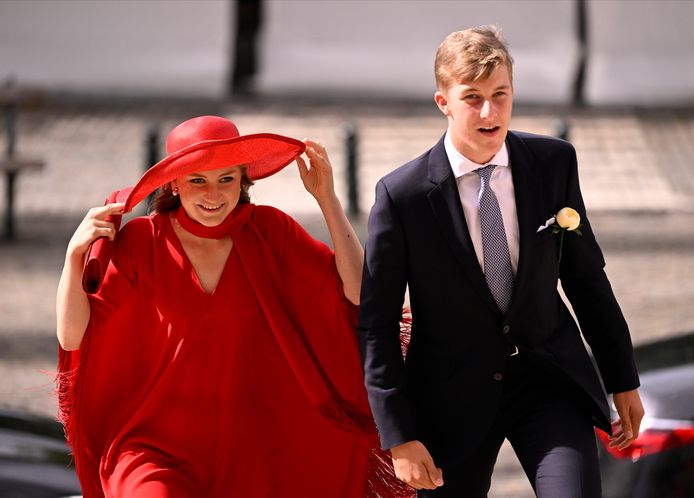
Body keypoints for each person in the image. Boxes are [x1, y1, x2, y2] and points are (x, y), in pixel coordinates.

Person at [358, 26, 644, 497]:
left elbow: (586, 277)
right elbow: (378, 324)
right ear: (443, 102)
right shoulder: (402, 196)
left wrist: (623, 378)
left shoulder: (553, 163)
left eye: (500, 94)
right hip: (450, 398)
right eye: (472, 97)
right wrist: (399, 436)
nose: (489, 112)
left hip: (548, 381)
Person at [56, 116, 406, 498]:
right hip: (151, 445)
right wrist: (75, 254)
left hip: (249, 445)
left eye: (227, 179)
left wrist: (327, 200)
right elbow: (72, 335)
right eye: (197, 180)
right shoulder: (140, 242)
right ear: (174, 182)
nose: (213, 194)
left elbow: (358, 294)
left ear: (243, 181)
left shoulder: (270, 230)